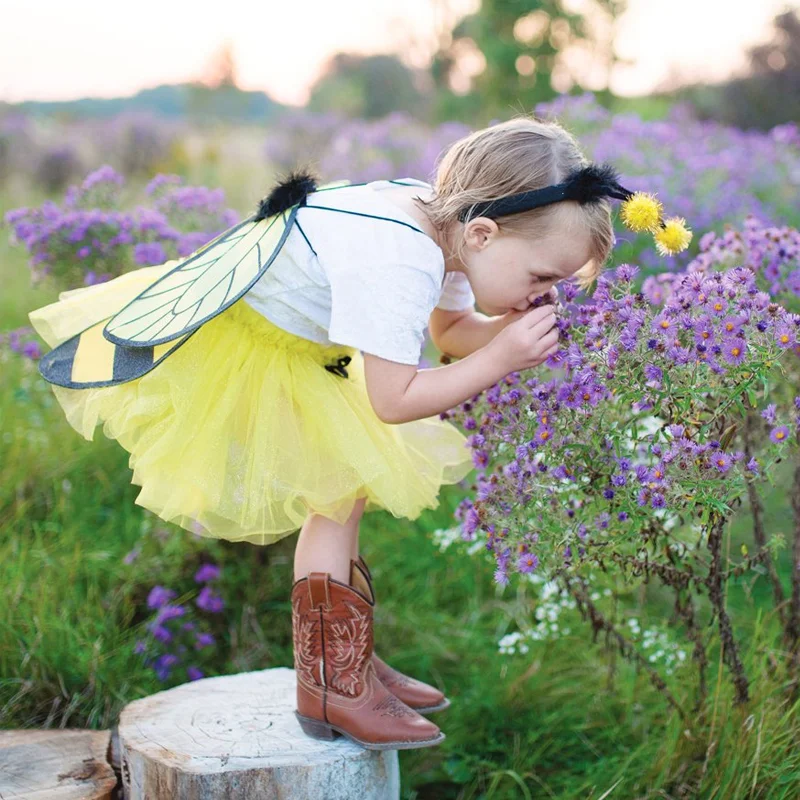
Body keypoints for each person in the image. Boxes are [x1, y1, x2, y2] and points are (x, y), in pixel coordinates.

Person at [27, 114, 690, 752]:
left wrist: (506, 334)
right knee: (337, 494)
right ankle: (332, 688)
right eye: (541, 277)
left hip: (306, 344)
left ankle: (350, 667)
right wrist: (501, 358)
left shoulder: (444, 225)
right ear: (484, 234)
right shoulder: (401, 260)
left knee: (345, 494)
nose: (541, 292)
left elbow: (451, 334)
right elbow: (395, 400)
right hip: (262, 349)